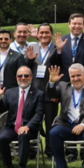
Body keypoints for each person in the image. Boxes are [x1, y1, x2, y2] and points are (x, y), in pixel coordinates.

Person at [47, 63, 84, 168]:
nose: (76, 79)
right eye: (73, 76)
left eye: (78, 75)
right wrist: (52, 82)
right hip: (66, 124)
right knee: (53, 133)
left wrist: (83, 124)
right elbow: (51, 94)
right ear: (69, 77)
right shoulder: (63, 86)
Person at [0, 65, 46, 168]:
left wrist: (28, 126)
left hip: (30, 128)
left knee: (23, 136)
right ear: (16, 77)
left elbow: (39, 114)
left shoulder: (39, 94)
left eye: (26, 75)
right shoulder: (9, 92)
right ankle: (9, 167)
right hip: (12, 126)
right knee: (1, 138)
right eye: (20, 76)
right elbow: (1, 109)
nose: (23, 78)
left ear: (31, 77)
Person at [28, 23, 61, 157]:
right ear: (38, 35)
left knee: (50, 122)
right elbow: (27, 67)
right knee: (32, 121)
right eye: (41, 33)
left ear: (51, 34)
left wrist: (57, 91)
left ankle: (50, 149)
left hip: (50, 92)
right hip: (34, 91)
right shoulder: (32, 47)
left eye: (47, 33)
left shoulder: (57, 48)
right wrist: (29, 60)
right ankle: (31, 149)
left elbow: (61, 68)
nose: (44, 35)